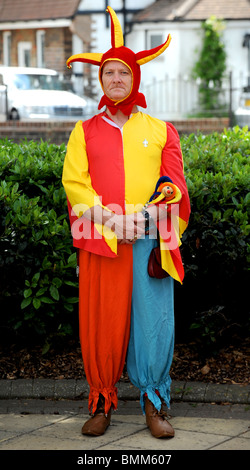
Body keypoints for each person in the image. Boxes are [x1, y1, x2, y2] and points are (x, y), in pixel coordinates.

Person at [62, 6, 190, 439]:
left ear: (136, 79)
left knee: (153, 323)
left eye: (123, 73)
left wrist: (143, 217)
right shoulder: (84, 131)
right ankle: (101, 401)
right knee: (101, 324)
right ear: (101, 80)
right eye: (109, 73)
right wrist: (112, 222)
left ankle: (156, 404)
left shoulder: (160, 130)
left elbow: (174, 186)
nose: (116, 79)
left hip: (150, 243)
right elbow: (74, 185)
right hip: (103, 242)